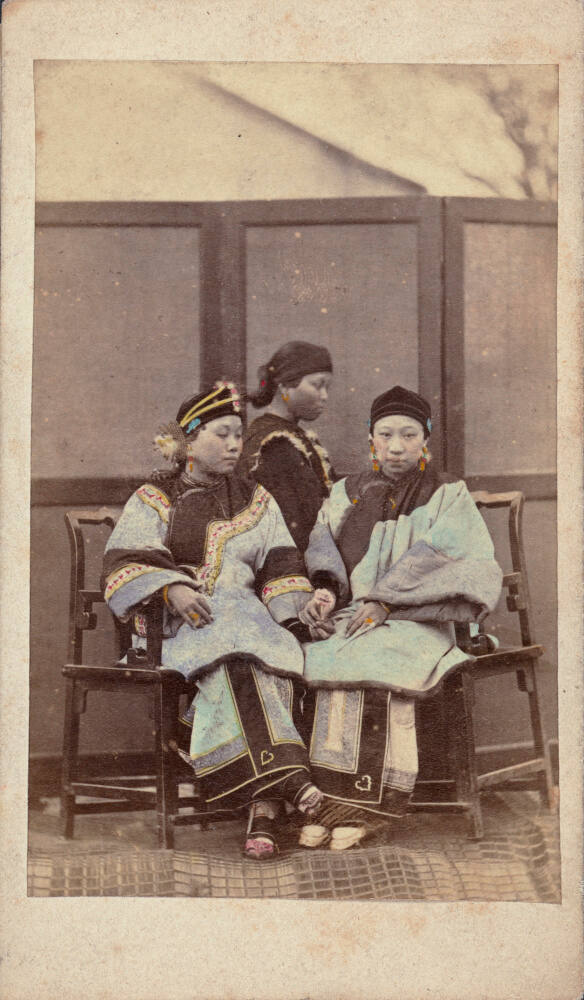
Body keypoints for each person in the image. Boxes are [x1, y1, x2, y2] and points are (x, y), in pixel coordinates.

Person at [102, 381, 324, 860]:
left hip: (249, 622)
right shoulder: (155, 497)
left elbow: (281, 565)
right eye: (221, 434)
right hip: (177, 627)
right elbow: (125, 559)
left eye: (238, 435)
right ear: (188, 441)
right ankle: (286, 785)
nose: (234, 445)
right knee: (241, 660)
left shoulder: (256, 498)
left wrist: (297, 614)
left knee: (265, 662)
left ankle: (266, 807)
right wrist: (171, 588)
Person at [297, 385, 503, 851]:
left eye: (408, 435)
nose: (395, 446)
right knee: (323, 655)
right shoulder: (344, 493)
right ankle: (324, 807)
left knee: (377, 657)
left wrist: (387, 602)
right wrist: (325, 591)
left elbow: (456, 560)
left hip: (419, 620)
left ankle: (370, 808)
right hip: (354, 615)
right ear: (370, 439)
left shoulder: (447, 493)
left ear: (425, 439)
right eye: (385, 434)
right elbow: (323, 550)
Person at [239, 341, 334, 553]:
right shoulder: (275, 445)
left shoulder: (293, 436)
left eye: (327, 388)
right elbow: (296, 527)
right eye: (317, 385)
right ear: (284, 385)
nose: (324, 396)